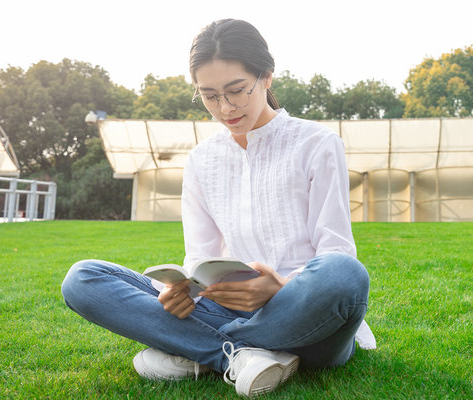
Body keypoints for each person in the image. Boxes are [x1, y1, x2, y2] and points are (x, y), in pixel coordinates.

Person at [61, 18, 374, 397]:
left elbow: (336, 250)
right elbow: (199, 260)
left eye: (237, 91)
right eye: (209, 96)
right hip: (225, 306)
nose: (225, 108)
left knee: (344, 274)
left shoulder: (317, 144)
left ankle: (195, 350)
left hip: (303, 311)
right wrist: (181, 291)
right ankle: (235, 356)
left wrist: (279, 288)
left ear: (267, 77)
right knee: (83, 279)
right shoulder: (201, 160)